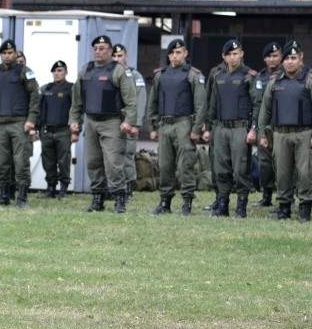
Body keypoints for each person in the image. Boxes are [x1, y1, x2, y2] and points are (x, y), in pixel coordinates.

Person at [69, 35, 139, 213]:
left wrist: (129, 122)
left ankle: (119, 199)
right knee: (93, 162)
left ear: (110, 50)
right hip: (91, 121)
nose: (98, 51)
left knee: (113, 162)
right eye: (96, 48)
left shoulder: (118, 71)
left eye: (102, 48)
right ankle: (97, 198)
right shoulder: (86, 70)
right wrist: (74, 121)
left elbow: (131, 101)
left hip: (112, 122)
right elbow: (76, 100)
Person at [257, 40, 312, 223]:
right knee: (282, 173)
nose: (290, 62)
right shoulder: (274, 81)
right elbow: (265, 109)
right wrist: (262, 134)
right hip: (280, 134)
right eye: (287, 58)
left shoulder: (310, 80)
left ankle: (305, 207)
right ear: (282, 61)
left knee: (305, 172)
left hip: (304, 134)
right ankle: (284, 207)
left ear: (300, 58)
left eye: (294, 58)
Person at [146, 38, 208, 215]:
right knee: (165, 165)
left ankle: (187, 202)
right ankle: (165, 202)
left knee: (185, 165)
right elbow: (153, 103)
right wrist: (152, 126)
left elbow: (201, 104)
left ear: (185, 53)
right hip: (165, 125)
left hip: (184, 124)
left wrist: (196, 129)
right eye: (172, 53)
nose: (175, 56)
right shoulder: (161, 75)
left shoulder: (193, 75)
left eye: (178, 52)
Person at [202, 39, 259, 218]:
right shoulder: (217, 75)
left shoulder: (249, 75)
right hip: (220, 128)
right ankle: (222, 204)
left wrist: (254, 129)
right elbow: (211, 103)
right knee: (221, 169)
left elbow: (257, 104)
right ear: (223, 57)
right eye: (229, 55)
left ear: (241, 54)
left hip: (240, 129)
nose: (232, 57)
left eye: (236, 54)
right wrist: (208, 127)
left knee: (241, 169)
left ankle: (241, 206)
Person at [0, 39, 40, 208]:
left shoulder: (25, 71)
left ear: (16, 53)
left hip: (19, 122)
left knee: (21, 160)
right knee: (2, 161)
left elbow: (35, 97)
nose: (7, 56)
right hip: (1, 124)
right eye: (4, 53)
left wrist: (31, 119)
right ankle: (4, 195)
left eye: (10, 53)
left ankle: (22, 197)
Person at [111, 44, 147, 201]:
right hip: (112, 122)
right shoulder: (109, 74)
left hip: (129, 121)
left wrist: (136, 124)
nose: (117, 59)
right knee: (112, 156)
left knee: (127, 155)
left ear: (126, 56)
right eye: (115, 56)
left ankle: (129, 188)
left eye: (120, 56)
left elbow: (140, 100)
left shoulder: (135, 75)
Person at [36, 60, 74, 200]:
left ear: (66, 72)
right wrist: (36, 128)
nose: (57, 74)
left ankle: (63, 189)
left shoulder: (71, 88)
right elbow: (39, 110)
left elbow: (76, 109)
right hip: (47, 130)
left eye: (60, 71)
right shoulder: (46, 89)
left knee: (64, 160)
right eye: (55, 71)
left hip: (63, 130)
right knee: (48, 161)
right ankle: (50, 188)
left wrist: (75, 131)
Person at [251, 42, 282, 208]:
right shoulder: (260, 77)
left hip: (282, 125)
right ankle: (267, 195)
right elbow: (256, 104)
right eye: (269, 56)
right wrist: (255, 128)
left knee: (284, 163)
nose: (272, 59)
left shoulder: (288, 75)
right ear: (264, 59)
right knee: (265, 162)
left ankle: (286, 198)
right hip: (265, 126)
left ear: (281, 57)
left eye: (275, 56)